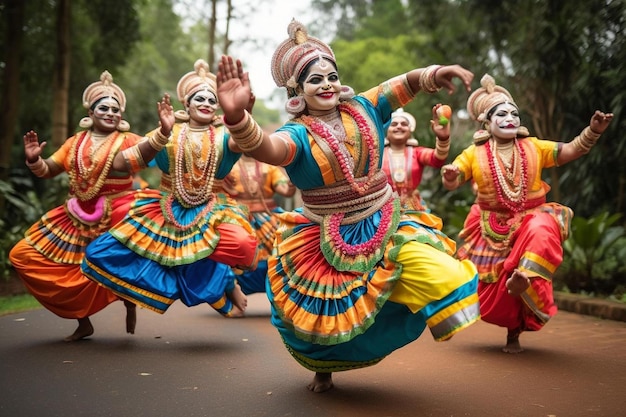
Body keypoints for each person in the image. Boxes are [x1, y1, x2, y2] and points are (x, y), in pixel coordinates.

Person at [216, 20, 480, 392]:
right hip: (324, 233)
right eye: (315, 79)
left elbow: (404, 84)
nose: (326, 84)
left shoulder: (365, 106)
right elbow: (268, 149)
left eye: (332, 76)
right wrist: (238, 118)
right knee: (324, 315)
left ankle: (427, 311)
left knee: (445, 276)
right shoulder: (297, 133)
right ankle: (324, 369)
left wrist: (436, 73)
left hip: (385, 219)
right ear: (297, 90)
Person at [441, 74, 614, 353]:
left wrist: (593, 131)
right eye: (502, 114)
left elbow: (570, 150)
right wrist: (449, 175)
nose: (510, 118)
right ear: (487, 121)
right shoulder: (474, 153)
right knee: (495, 285)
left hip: (530, 217)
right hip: (490, 224)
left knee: (542, 226)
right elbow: (454, 179)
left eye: (514, 113)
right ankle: (513, 310)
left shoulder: (534, 146)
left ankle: (525, 278)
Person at [82, 59, 257, 318]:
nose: (206, 103)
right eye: (200, 98)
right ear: (186, 104)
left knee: (242, 245)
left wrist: (241, 117)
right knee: (99, 252)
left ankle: (223, 281)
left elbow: (245, 143)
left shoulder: (223, 136)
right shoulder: (169, 133)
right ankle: (194, 285)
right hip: (167, 209)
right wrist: (162, 134)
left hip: (211, 209)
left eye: (211, 100)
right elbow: (120, 163)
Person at [9, 70, 170, 341]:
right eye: (103, 108)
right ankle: (83, 321)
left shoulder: (127, 140)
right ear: (91, 112)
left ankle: (125, 291)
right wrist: (35, 160)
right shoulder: (74, 142)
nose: (110, 113)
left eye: (115, 109)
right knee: (23, 255)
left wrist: (164, 132)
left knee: (104, 263)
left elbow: (144, 154)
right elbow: (50, 169)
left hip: (118, 213)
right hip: (75, 215)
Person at [222, 154, 297, 295]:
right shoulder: (229, 167)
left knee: (287, 243)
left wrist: (291, 187)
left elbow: (284, 190)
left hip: (269, 217)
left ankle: (281, 293)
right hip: (239, 218)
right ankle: (232, 295)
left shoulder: (269, 167)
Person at [382, 107, 451, 211]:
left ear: (410, 130)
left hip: (413, 209)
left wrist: (443, 139)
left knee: (418, 228)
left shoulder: (417, 153)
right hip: (382, 208)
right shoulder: (377, 155)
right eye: (394, 124)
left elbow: (437, 159)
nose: (399, 126)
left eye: (404, 124)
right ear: (387, 130)